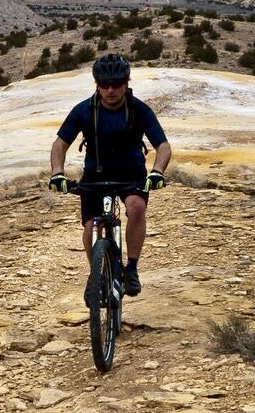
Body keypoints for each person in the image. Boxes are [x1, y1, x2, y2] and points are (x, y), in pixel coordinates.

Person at [48, 53, 170, 296]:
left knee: (136, 207)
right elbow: (60, 144)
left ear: (126, 83)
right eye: (104, 85)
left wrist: (157, 172)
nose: (111, 90)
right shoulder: (84, 110)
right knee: (91, 225)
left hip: (132, 172)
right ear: (97, 85)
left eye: (116, 84)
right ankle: (96, 273)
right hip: (95, 174)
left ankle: (131, 268)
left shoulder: (139, 110)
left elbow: (163, 146)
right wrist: (57, 173)